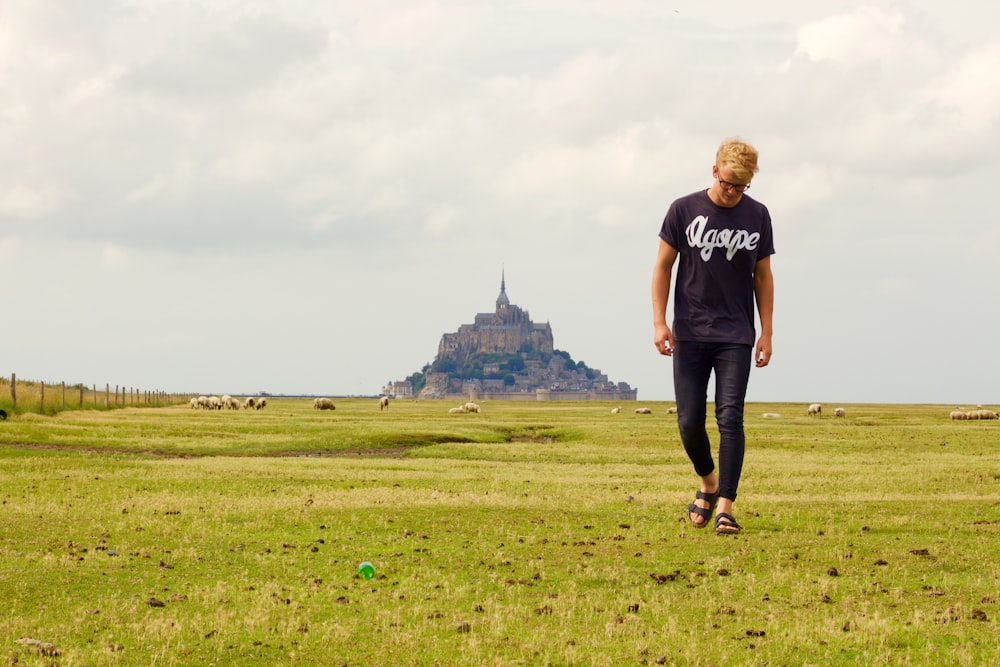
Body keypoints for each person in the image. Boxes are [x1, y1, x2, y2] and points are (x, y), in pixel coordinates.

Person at [650, 137, 775, 535]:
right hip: (689, 331)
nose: (732, 192)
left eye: (741, 186)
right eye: (727, 182)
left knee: (730, 417)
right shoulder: (683, 210)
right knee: (689, 421)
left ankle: (725, 506)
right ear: (714, 170)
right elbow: (662, 268)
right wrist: (659, 322)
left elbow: (763, 276)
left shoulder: (758, 216)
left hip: (736, 333)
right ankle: (708, 482)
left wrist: (766, 331)